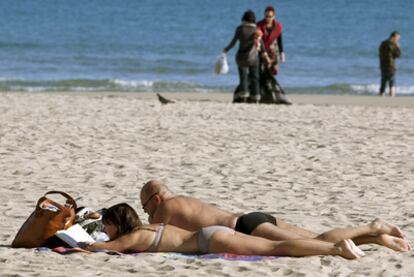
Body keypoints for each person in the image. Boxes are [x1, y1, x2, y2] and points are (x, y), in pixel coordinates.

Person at [139, 180, 410, 252]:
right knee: (315, 239)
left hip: (246, 228)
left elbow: (149, 235)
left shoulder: (165, 209)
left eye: (145, 206)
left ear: (157, 199)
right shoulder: (184, 200)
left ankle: (372, 225)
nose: (147, 212)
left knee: (318, 243)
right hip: (252, 217)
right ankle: (376, 238)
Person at [83, 202, 373, 259]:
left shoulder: (132, 237)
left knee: (277, 248)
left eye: (107, 224)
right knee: (275, 247)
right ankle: (336, 246)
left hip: (209, 241)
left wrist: (81, 242)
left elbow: (104, 248)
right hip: (212, 232)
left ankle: (337, 248)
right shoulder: (147, 226)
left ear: (118, 224)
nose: (105, 230)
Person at [224, 10, 261, 103]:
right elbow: (261, 45)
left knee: (243, 76)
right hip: (253, 57)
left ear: (244, 18)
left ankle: (244, 95)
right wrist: (265, 55)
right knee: (255, 76)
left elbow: (233, 42)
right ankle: (256, 97)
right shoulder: (257, 30)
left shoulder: (240, 29)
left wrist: (226, 49)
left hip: (242, 57)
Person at [256, 5, 291, 105]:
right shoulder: (259, 25)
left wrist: (282, 53)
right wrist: (264, 54)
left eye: (270, 16)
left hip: (273, 52)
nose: (268, 18)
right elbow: (260, 41)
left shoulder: (278, 26)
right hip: (261, 52)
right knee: (262, 72)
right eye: (266, 16)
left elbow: (280, 40)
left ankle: (270, 92)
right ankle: (263, 94)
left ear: (274, 16)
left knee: (272, 72)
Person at [379, 31, 401, 97]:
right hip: (391, 65)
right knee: (392, 82)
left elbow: (380, 54)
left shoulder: (383, 43)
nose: (398, 40)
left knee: (383, 81)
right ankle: (392, 97)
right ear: (394, 37)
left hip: (383, 65)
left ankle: (381, 96)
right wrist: (398, 47)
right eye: (397, 38)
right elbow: (398, 55)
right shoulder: (393, 45)